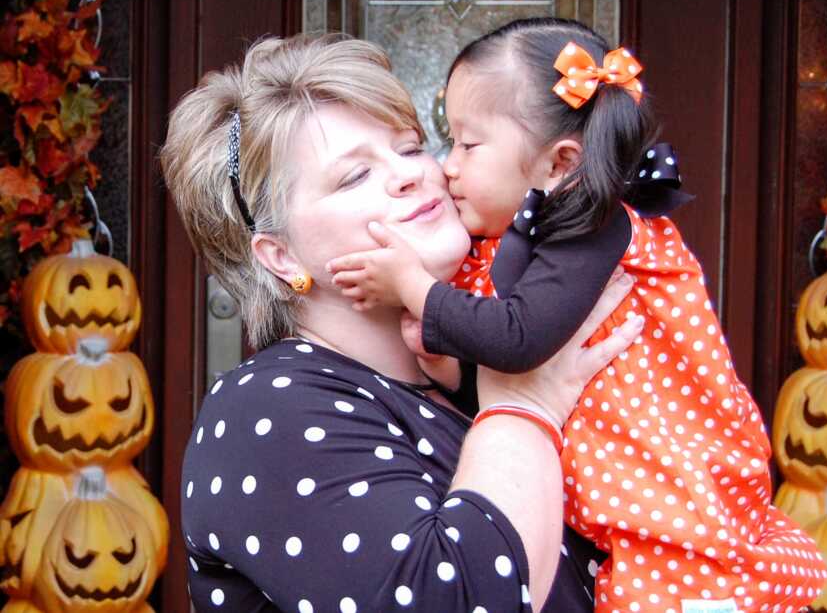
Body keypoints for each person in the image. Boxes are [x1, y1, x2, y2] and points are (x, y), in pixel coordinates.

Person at [327, 18, 827, 612]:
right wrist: (450, 371)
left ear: (559, 164)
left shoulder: (594, 226)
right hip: (629, 502)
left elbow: (519, 342)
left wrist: (412, 286)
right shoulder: (526, 236)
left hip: (672, 498)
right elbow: (513, 380)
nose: (448, 164)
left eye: (467, 142)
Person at [163, 33, 645, 613]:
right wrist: (525, 405)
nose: (412, 174)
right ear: (281, 256)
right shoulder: (264, 409)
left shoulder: (463, 377)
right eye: (353, 177)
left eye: (412, 148)